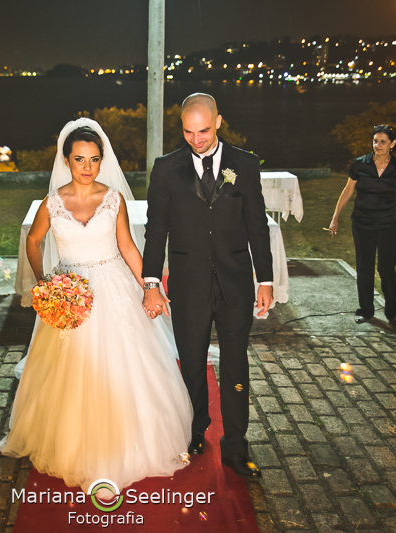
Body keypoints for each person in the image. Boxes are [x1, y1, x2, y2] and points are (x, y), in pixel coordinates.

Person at [0, 119, 193, 492]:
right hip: (70, 292)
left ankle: (127, 441)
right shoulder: (51, 204)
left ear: (102, 161)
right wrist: (45, 281)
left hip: (113, 287)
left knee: (124, 367)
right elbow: (34, 241)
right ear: (66, 161)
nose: (87, 168)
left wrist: (149, 286)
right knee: (71, 372)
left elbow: (128, 249)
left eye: (94, 160)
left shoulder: (113, 199)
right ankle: (73, 443)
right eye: (79, 160)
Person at [142, 93, 273, 479]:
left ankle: (236, 446)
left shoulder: (245, 164)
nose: (196, 139)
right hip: (188, 285)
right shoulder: (166, 169)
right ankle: (195, 430)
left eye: (202, 130)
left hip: (235, 285)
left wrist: (264, 279)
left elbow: (257, 225)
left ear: (218, 122)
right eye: (187, 132)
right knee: (193, 364)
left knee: (235, 367)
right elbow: (156, 230)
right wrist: (152, 282)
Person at [329, 124, 396, 333]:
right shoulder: (360, 164)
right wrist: (335, 217)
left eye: (383, 141)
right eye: (375, 141)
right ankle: (365, 310)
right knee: (364, 266)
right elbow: (348, 190)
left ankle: (393, 313)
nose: (377, 145)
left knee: (387, 267)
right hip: (362, 222)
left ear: (392, 144)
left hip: (389, 223)